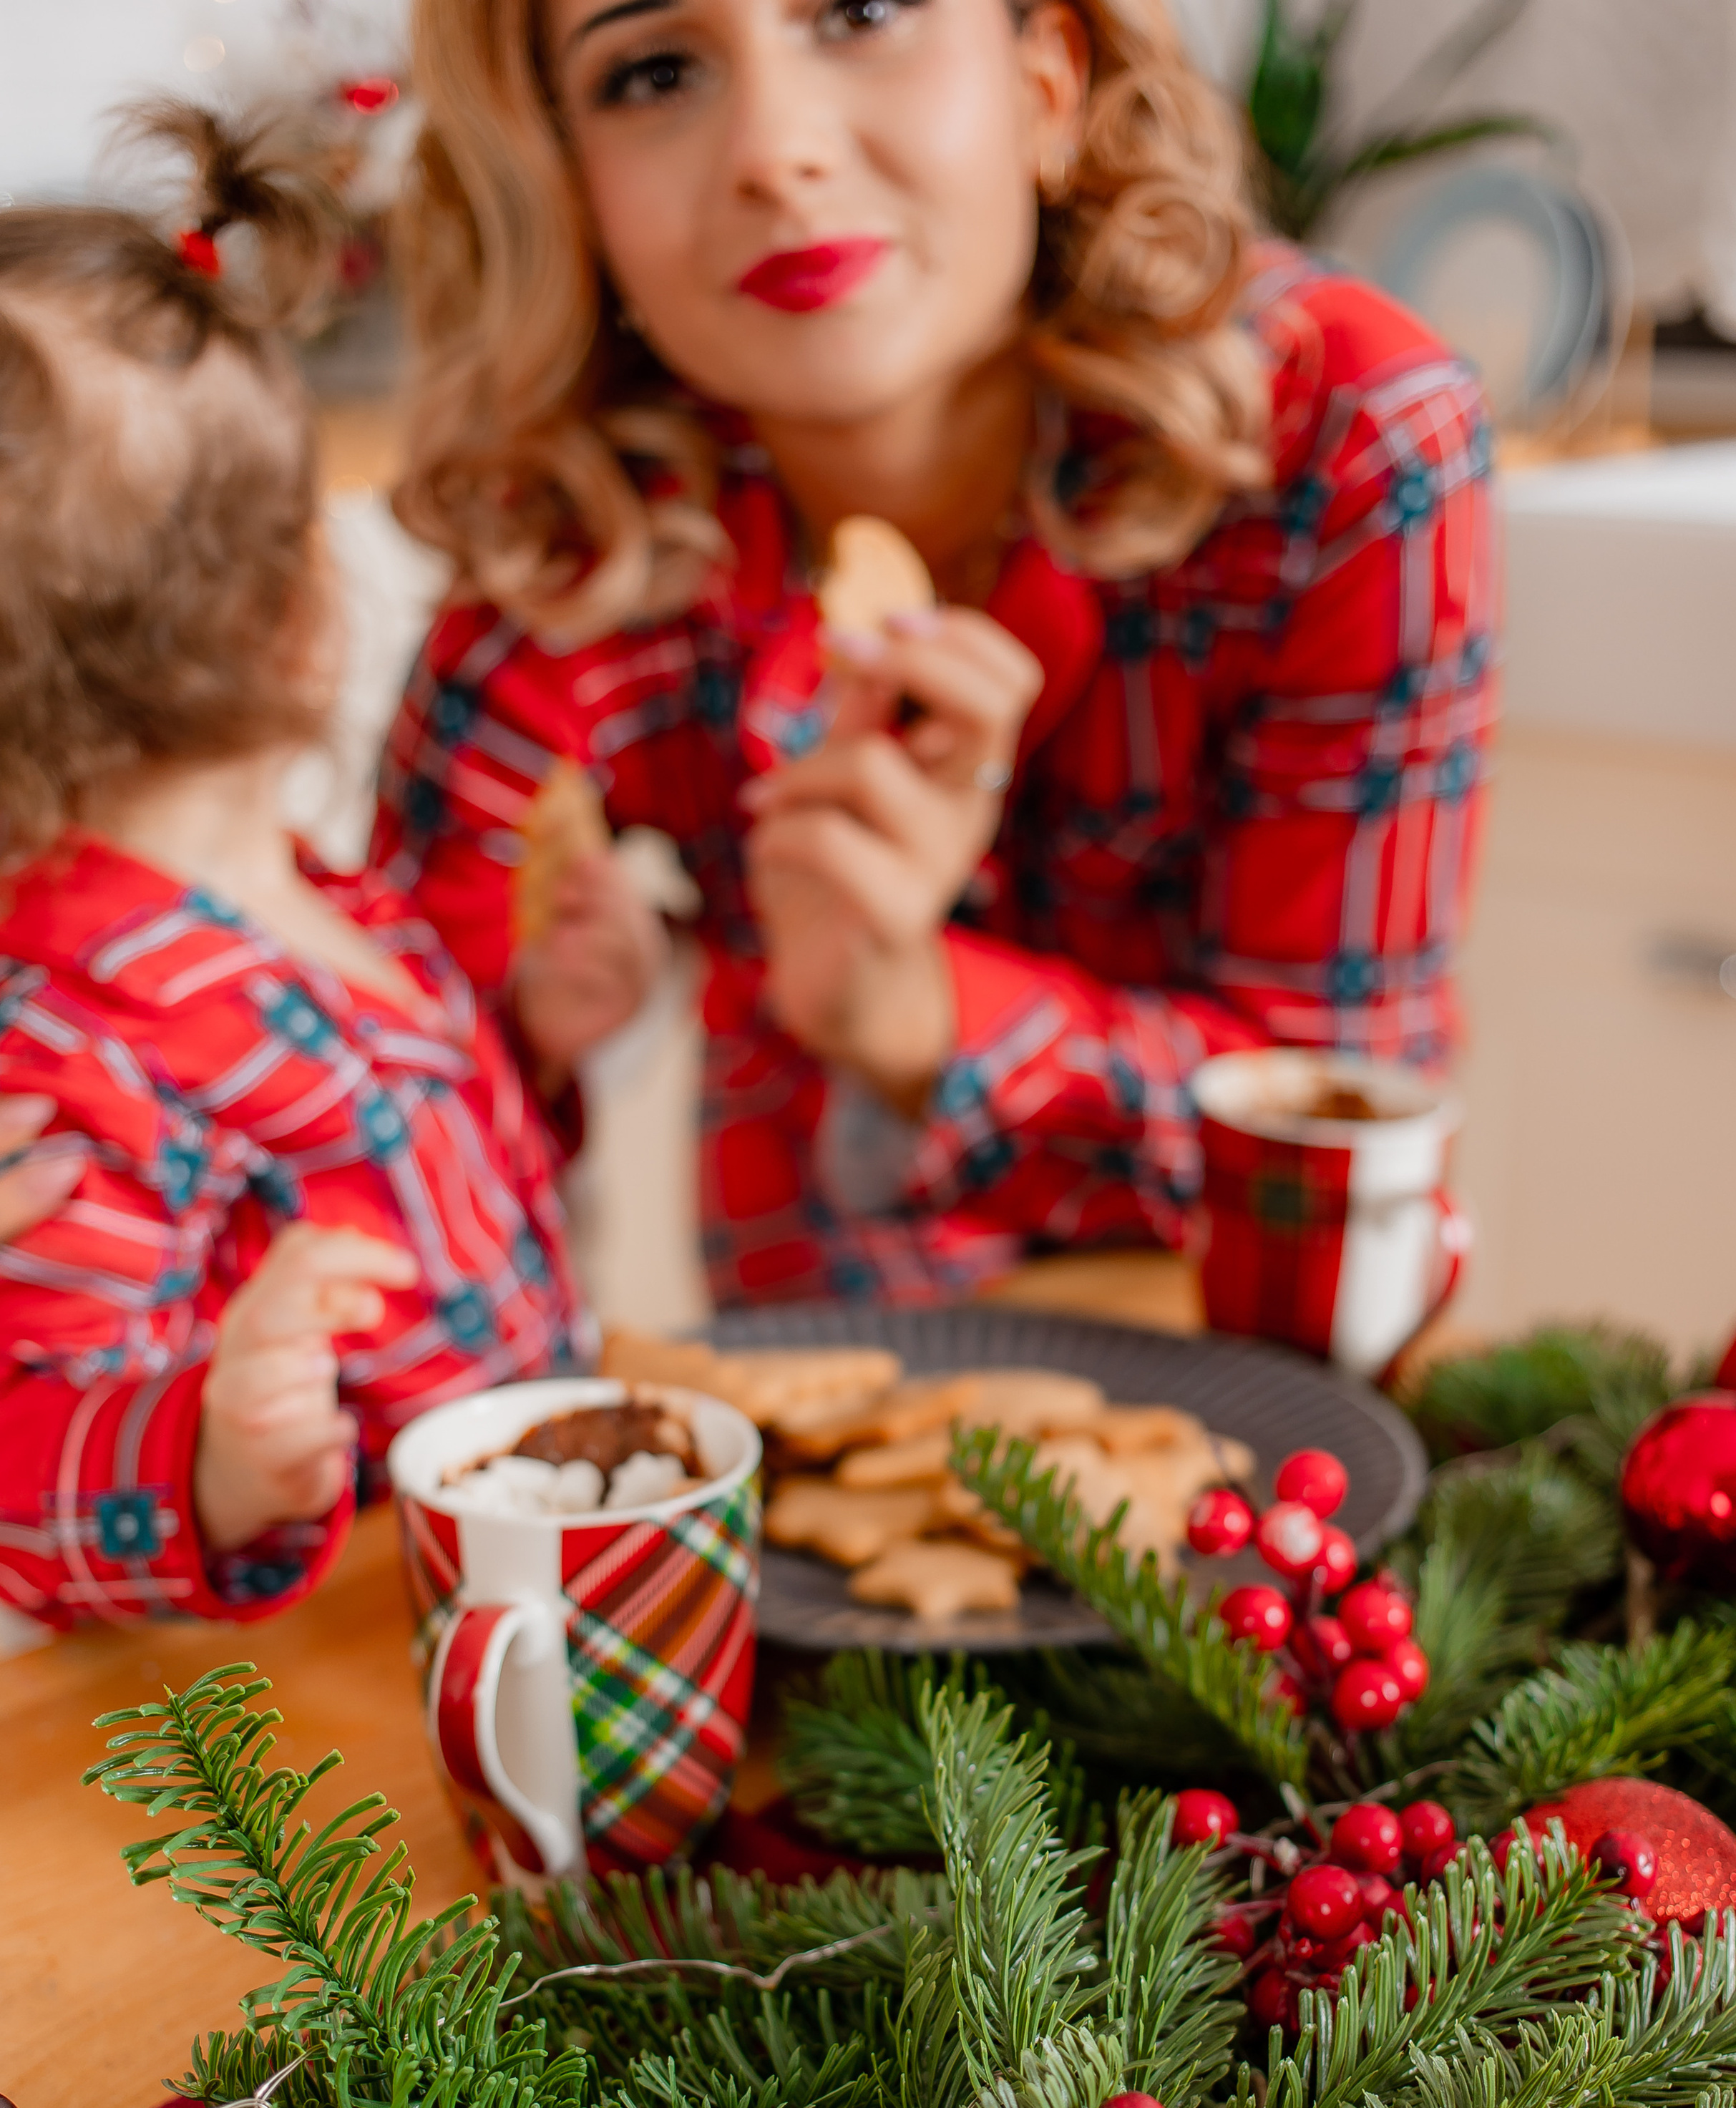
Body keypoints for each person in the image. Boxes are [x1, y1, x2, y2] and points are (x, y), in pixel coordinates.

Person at [374, 0, 1496, 1307]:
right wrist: (533, 1042)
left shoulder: (1345, 439)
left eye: (860, 12)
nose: (773, 150)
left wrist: (917, 1016)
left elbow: (1340, 1156)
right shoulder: (582, 545)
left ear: (1047, 83)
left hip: (1263, 1397)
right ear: (570, 188)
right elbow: (382, 1137)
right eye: (656, 70)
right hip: (821, 1356)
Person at [0, 112, 641, 1629]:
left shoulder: (321, 899)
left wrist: (530, 1036)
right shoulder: (75, 1048)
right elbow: (25, 1441)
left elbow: (426, 1181)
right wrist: (215, 1457)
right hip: (347, 1698)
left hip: (537, 1571)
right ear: (305, 616)